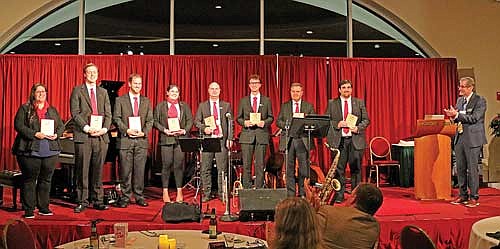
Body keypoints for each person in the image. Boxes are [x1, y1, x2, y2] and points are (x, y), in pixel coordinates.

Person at [12, 83, 64, 218]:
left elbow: (61, 127)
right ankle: (29, 209)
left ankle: (44, 207)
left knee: (46, 180)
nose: (41, 94)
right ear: (33, 94)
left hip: (50, 151)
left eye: (44, 92)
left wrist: (57, 135)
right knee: (29, 179)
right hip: (29, 150)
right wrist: (35, 134)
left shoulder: (52, 110)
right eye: (38, 92)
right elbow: (18, 125)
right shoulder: (25, 108)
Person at [70, 63, 112, 213]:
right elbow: (75, 113)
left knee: (98, 170)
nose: (93, 75)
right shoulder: (77, 90)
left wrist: (104, 129)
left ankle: (98, 200)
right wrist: (87, 128)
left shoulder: (103, 92)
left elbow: (108, 114)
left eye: (95, 72)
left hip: (101, 137)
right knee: (83, 170)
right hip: (84, 135)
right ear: (84, 75)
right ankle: (82, 200)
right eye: (90, 72)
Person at [324, 79, 370, 203]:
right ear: (339, 90)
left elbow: (366, 120)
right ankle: (339, 195)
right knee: (339, 170)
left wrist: (357, 128)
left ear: (351, 89)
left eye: (348, 87)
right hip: (339, 141)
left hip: (355, 140)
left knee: (356, 169)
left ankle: (355, 196)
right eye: (343, 87)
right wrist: (337, 124)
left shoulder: (359, 102)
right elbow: (326, 120)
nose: (346, 90)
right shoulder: (332, 103)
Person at [444, 77, 487, 208]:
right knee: (460, 168)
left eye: (462, 86)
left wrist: (457, 115)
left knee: (472, 169)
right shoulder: (459, 100)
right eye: (460, 86)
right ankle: (463, 195)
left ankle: (474, 197)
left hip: (473, 139)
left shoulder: (479, 101)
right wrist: (452, 117)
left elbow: (474, 118)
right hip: (460, 138)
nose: (459, 89)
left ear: (470, 87)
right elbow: (459, 118)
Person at [305, 178, 383, 249]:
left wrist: (310, 209)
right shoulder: (375, 227)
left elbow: (305, 236)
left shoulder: (327, 212)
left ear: (353, 199)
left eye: (350, 195)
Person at [113, 73, 154, 208]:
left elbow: (150, 120)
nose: (138, 86)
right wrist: (127, 130)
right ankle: (125, 196)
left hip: (141, 140)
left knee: (140, 170)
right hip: (126, 140)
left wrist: (144, 132)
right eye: (135, 83)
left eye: (140, 84)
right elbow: (116, 119)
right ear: (129, 84)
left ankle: (139, 196)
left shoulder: (146, 101)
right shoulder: (120, 100)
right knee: (125, 170)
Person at [194, 82, 233, 202]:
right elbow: (197, 122)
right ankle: (206, 193)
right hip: (208, 140)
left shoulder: (226, 105)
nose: (214, 91)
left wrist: (230, 138)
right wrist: (204, 128)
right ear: (208, 90)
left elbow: (231, 123)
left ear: (220, 90)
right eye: (212, 89)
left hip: (221, 140)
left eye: (217, 89)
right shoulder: (202, 106)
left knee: (222, 169)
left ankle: (222, 194)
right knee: (205, 168)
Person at [154, 84, 193, 203]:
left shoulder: (184, 106)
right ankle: (165, 191)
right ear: (167, 93)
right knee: (166, 165)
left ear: (179, 94)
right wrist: (164, 130)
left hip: (180, 140)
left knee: (178, 166)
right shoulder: (160, 106)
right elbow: (155, 121)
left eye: (176, 91)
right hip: (166, 139)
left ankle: (179, 191)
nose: (174, 93)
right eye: (172, 91)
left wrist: (184, 130)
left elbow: (190, 120)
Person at [276, 82, 316, 197]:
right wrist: (287, 126)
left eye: (297, 91)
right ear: (290, 93)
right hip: (289, 140)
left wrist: (304, 124)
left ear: (302, 93)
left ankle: (303, 193)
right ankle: (291, 194)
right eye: (293, 91)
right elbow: (279, 121)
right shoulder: (285, 106)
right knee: (289, 169)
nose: (295, 93)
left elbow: (312, 122)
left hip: (302, 140)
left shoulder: (308, 106)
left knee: (304, 169)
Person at [236, 74, 274, 189]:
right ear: (249, 85)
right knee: (246, 165)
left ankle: (259, 190)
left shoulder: (266, 100)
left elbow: (271, 117)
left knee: (260, 165)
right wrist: (245, 123)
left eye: (256, 83)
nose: (254, 85)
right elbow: (238, 118)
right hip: (247, 136)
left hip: (261, 136)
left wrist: (264, 122)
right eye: (252, 83)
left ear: (260, 85)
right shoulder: (243, 101)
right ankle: (247, 190)